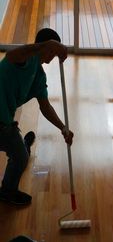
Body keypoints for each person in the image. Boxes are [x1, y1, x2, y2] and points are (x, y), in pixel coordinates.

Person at [0, 28, 74, 205]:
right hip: (1, 123)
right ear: (43, 47)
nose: (53, 55)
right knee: (21, 158)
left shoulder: (39, 76)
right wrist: (46, 45)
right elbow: (13, 55)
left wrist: (63, 127)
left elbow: (45, 106)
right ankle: (7, 192)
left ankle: (21, 145)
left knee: (18, 150)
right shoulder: (23, 59)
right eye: (52, 51)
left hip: (5, 119)